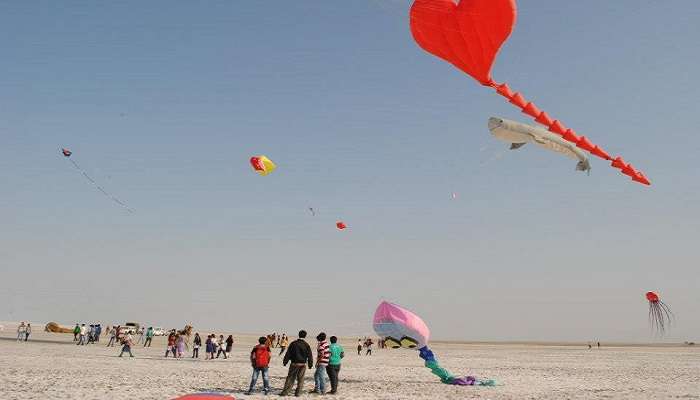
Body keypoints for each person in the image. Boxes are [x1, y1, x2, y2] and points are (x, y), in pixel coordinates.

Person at [280, 330, 313, 397]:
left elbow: (288, 353)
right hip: (303, 364)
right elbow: (310, 355)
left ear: (299, 335)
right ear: (305, 336)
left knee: (290, 378)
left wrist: (285, 361)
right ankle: (298, 393)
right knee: (301, 379)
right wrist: (310, 364)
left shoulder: (293, 343)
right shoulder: (306, 345)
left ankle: (285, 392)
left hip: (294, 364)